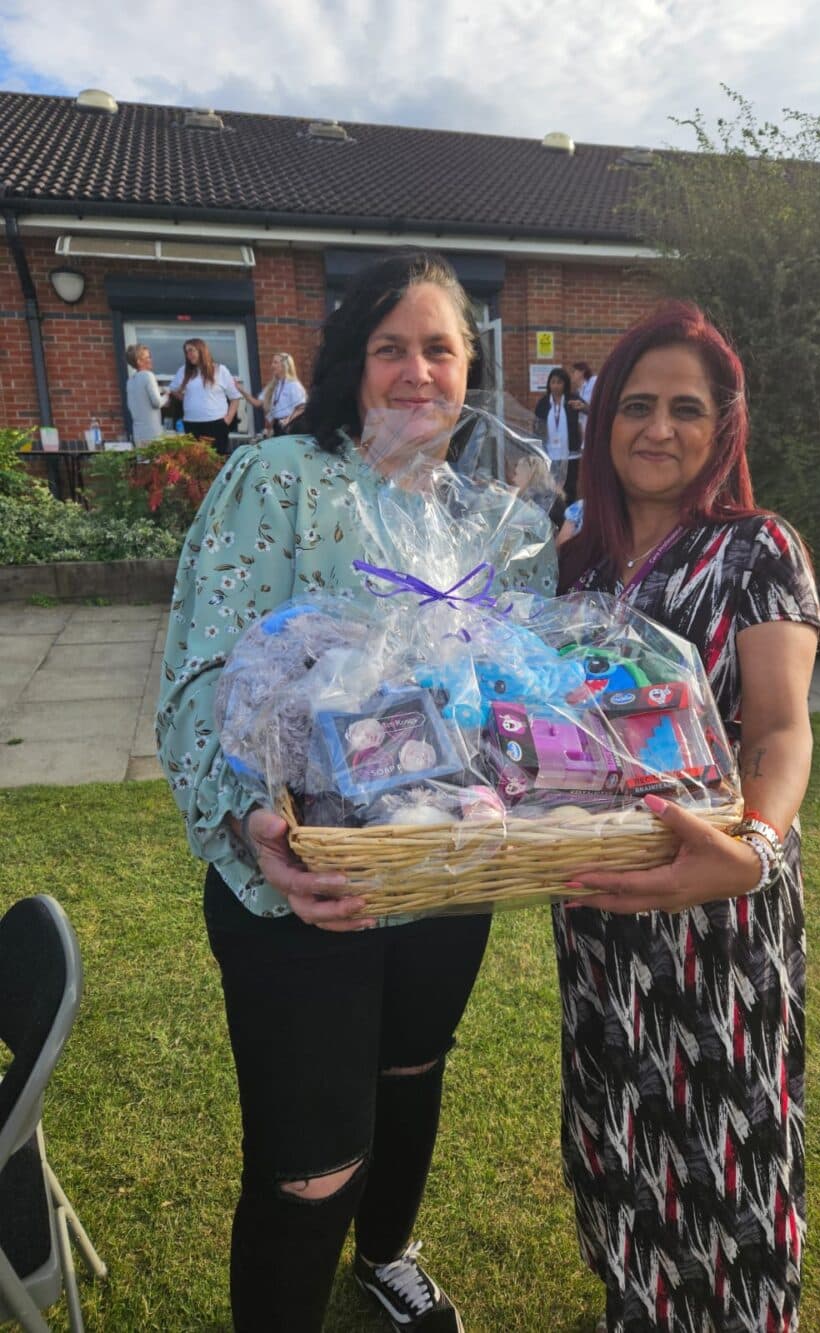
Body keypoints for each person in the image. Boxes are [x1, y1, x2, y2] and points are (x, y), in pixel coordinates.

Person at [156, 250, 556, 1333]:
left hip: (440, 865)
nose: (416, 371)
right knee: (310, 1160)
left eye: (440, 348)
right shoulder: (279, 476)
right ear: (352, 363)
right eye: (392, 347)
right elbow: (198, 674)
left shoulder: (490, 518)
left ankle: (385, 1255)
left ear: (471, 367)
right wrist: (255, 825)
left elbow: (520, 685)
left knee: (411, 1070)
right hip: (305, 873)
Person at [556, 301, 820, 1333]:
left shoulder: (756, 549)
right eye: (634, 405)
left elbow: (781, 734)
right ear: (602, 423)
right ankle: (638, 1300)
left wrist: (753, 850)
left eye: (684, 409)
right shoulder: (576, 564)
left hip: (720, 900)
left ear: (724, 429)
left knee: (725, 1133)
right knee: (615, 1119)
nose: (656, 429)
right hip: (599, 903)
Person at [168, 338, 242, 455]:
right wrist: (188, 399)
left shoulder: (220, 370)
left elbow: (235, 397)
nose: (189, 355)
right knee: (196, 464)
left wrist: (227, 419)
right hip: (191, 424)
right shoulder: (183, 371)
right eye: (186, 352)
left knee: (218, 461)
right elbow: (173, 390)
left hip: (216, 425)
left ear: (201, 350)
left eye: (192, 350)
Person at [534, 366, 582, 501]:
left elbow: (590, 412)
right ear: (549, 384)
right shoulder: (543, 403)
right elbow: (537, 426)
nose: (555, 386)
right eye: (553, 382)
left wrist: (583, 407)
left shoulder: (573, 400)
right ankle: (554, 517)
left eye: (559, 382)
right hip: (550, 454)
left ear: (565, 384)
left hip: (570, 454)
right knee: (550, 488)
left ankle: (569, 517)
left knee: (569, 488)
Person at [237, 351, 307, 437]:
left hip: (290, 426)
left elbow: (302, 408)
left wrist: (288, 421)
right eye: (272, 362)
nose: (272, 366)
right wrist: (241, 390)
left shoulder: (293, 385)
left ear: (284, 366)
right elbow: (257, 403)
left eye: (276, 362)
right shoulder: (273, 385)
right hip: (276, 426)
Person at [124, 343, 169, 444]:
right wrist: (167, 395)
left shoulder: (130, 381)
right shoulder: (148, 375)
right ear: (139, 361)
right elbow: (157, 402)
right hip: (152, 432)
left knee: (143, 460)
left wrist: (160, 389)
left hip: (138, 433)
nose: (150, 359)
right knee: (156, 459)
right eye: (148, 357)